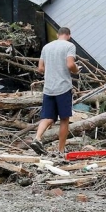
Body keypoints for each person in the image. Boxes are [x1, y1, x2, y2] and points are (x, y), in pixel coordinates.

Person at [32, 27, 79, 155]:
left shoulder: (46, 47)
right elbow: (70, 65)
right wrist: (76, 70)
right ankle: (61, 150)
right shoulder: (69, 46)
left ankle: (37, 138)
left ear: (58, 34)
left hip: (48, 87)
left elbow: (40, 68)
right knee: (64, 119)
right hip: (63, 87)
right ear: (69, 35)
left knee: (48, 117)